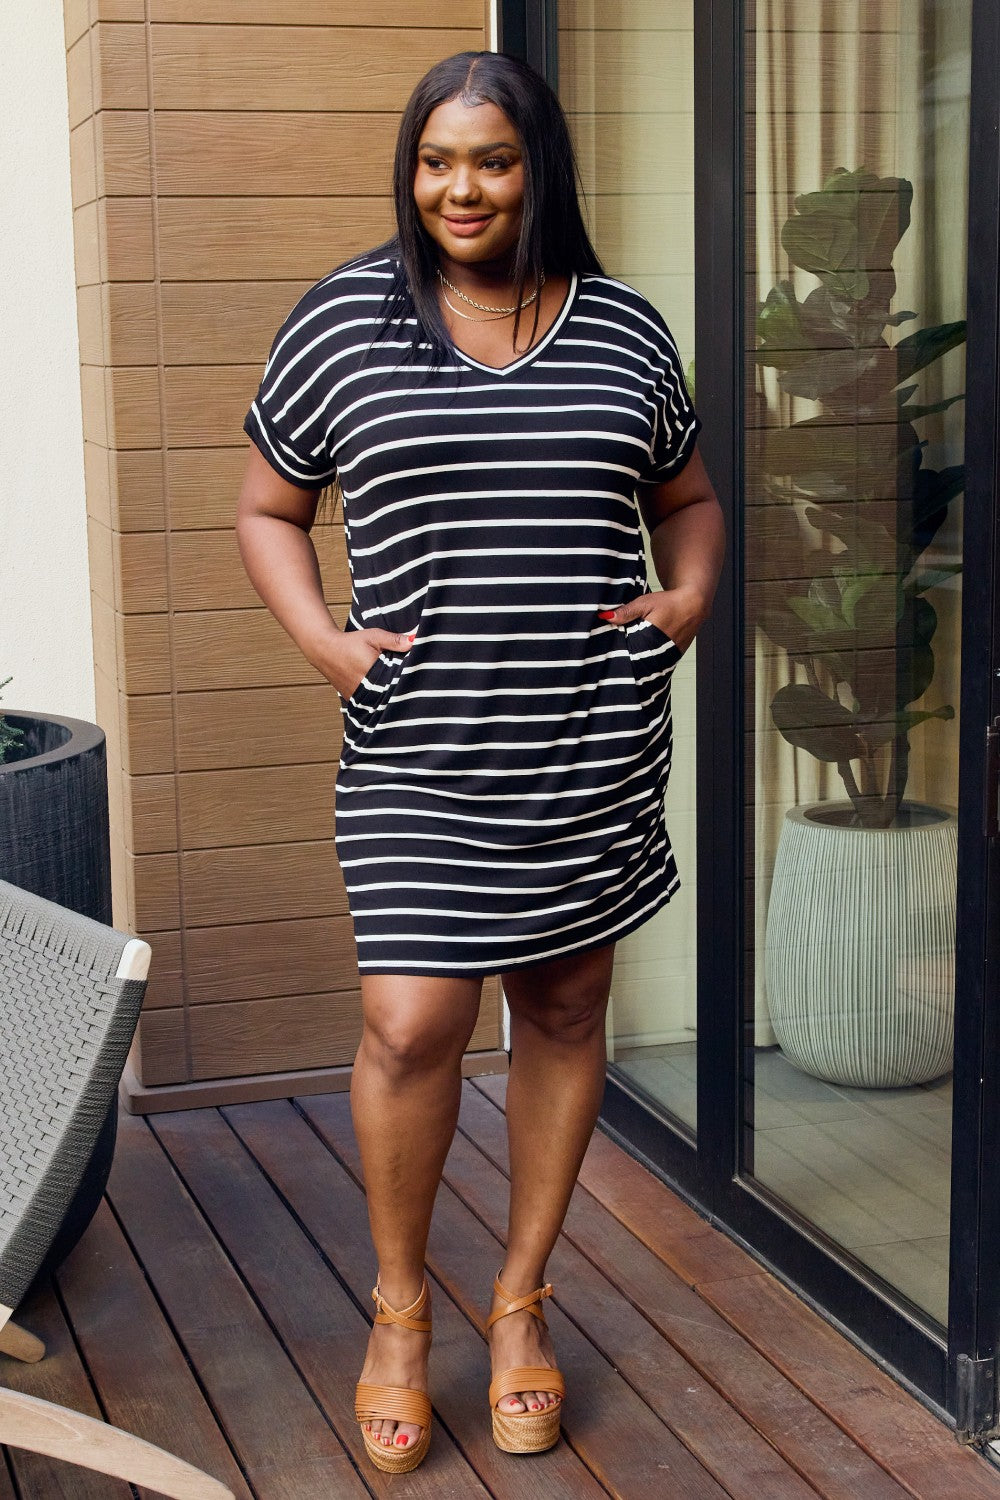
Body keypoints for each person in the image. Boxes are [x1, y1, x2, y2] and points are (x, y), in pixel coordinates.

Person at [236, 49, 725, 1476]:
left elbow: (689, 499)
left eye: (492, 161)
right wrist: (325, 641)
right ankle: (400, 1314)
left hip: (585, 737)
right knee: (411, 1024)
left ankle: (520, 1303)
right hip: (417, 749)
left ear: (536, 168)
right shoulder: (345, 320)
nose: (462, 189)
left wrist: (689, 598)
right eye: (437, 160)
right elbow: (267, 508)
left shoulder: (625, 331)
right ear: (410, 171)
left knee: (564, 1007)